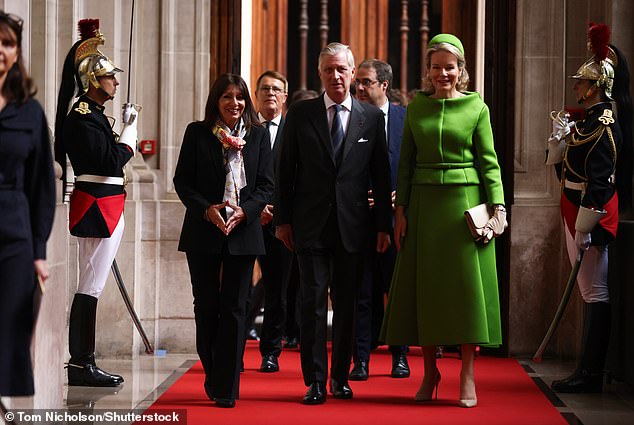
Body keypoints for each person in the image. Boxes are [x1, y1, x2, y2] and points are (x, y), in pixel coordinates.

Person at [380, 34, 507, 408]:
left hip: (465, 209)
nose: (442, 74)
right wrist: (400, 211)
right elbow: (405, 164)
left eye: (449, 67)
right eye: (436, 67)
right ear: (428, 71)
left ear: (461, 70)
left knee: (467, 293)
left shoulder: (476, 108)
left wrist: (497, 207)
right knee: (428, 291)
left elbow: (490, 162)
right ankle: (430, 372)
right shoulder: (417, 107)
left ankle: (467, 374)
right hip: (423, 207)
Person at [275, 42, 392, 405]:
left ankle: (340, 378)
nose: (336, 76)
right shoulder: (300, 113)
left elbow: (381, 176)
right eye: (328, 70)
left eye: (342, 69)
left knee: (347, 305)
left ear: (353, 72)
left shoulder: (370, 118)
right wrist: (282, 221)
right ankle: (314, 381)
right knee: (311, 305)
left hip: (354, 228)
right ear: (320, 74)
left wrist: (383, 227)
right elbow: (284, 171)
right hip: (309, 226)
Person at [174, 73, 273, 408]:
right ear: (215, 101)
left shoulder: (258, 136)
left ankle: (227, 387)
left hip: (244, 232)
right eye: (227, 97)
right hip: (204, 230)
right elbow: (183, 182)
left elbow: (266, 185)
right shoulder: (197, 133)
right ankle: (213, 370)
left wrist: (246, 211)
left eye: (240, 97)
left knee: (235, 307)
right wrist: (207, 210)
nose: (235, 103)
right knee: (207, 306)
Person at [546, 23, 632, 394]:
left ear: (596, 87)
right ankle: (587, 368)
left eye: (582, 82)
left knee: (595, 293)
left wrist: (590, 230)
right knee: (587, 293)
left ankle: (591, 371)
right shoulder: (586, 123)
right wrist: (559, 143)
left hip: (590, 217)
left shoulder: (605, 126)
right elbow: (565, 172)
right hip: (573, 209)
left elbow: (601, 181)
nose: (576, 87)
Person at [54, 19, 139, 387]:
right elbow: (109, 161)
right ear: (93, 81)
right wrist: (131, 132)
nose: (116, 83)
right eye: (110, 78)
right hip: (97, 205)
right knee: (90, 284)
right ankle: (80, 363)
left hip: (107, 203)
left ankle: (83, 361)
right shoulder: (82, 118)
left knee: (93, 283)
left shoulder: (95, 117)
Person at [0, 11, 55, 398]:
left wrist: (38, 250)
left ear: (17, 53)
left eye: (7, 43)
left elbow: (42, 188)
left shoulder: (30, 112)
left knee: (9, 328)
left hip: (13, 238)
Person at [349, 58, 409, 381]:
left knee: (395, 291)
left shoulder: (404, 118)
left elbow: (413, 164)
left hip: (397, 220)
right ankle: (360, 360)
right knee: (362, 292)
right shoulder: (351, 118)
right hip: (359, 219)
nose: (359, 87)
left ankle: (400, 356)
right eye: (357, 81)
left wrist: (402, 196)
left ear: (384, 85)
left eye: (366, 82)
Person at [253, 70, 293, 373]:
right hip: (247, 220)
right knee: (239, 289)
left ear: (284, 96)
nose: (271, 93)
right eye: (265, 88)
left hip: (280, 223)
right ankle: (234, 347)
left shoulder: (293, 130)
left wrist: (277, 211)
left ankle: (271, 351)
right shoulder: (244, 128)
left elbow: (297, 179)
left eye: (277, 89)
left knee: (277, 290)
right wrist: (254, 209)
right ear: (257, 94)